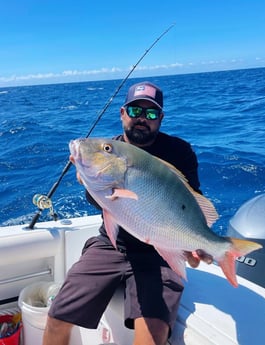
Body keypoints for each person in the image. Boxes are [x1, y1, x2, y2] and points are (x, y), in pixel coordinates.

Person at [43, 81, 213, 345]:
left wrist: (194, 243)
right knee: (57, 317)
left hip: (158, 251)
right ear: (122, 113)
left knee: (153, 336)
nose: (142, 119)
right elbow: (104, 201)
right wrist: (89, 183)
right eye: (135, 111)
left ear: (161, 118)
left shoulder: (179, 152)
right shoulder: (106, 148)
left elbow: (191, 204)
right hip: (111, 244)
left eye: (151, 113)